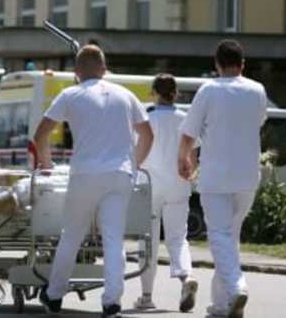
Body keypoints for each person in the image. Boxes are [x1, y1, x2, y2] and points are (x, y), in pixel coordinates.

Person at [33, 45, 154, 318]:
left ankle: (53, 296)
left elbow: (40, 135)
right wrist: (134, 165)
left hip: (84, 174)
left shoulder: (70, 95)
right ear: (104, 68)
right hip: (120, 175)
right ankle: (111, 303)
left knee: (71, 236)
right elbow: (147, 135)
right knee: (113, 240)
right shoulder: (126, 95)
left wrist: (47, 164)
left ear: (76, 73)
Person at [179, 40, 267, 318]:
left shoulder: (209, 90)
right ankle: (221, 306)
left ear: (216, 64)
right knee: (230, 240)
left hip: (216, 177)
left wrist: (184, 159)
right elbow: (259, 121)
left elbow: (189, 133)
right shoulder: (257, 90)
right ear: (242, 64)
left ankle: (237, 287)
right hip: (247, 177)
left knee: (219, 236)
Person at [134, 74, 198, 312]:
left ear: (153, 92)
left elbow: (136, 151)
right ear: (176, 94)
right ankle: (186, 277)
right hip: (178, 185)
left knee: (147, 239)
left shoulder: (145, 118)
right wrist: (189, 177)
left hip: (148, 185)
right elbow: (193, 158)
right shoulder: (185, 118)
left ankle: (147, 296)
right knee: (177, 237)